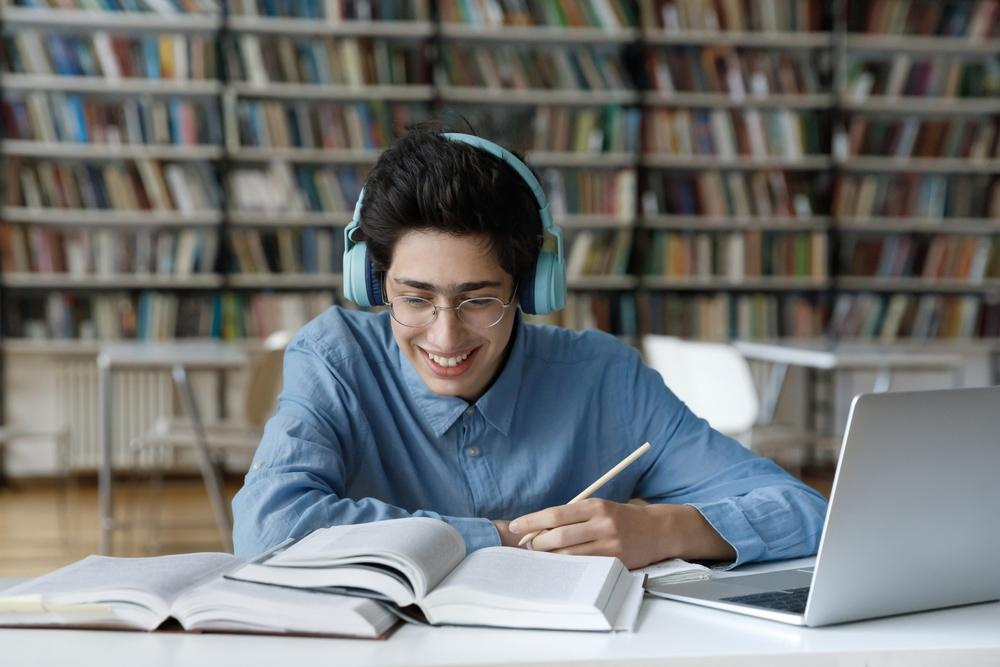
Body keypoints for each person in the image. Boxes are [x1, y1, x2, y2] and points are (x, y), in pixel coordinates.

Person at [232, 126, 827, 569]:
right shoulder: (334, 359)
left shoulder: (604, 379)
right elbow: (270, 528)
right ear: (373, 282)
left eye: (479, 299)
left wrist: (667, 531)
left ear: (531, 288)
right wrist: (502, 537)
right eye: (414, 299)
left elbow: (808, 513)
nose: (445, 336)